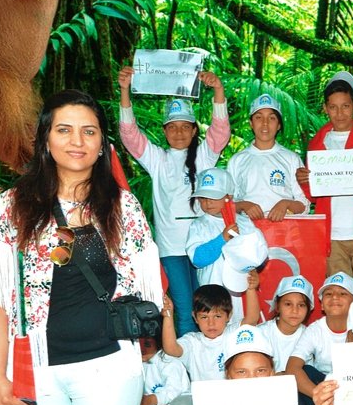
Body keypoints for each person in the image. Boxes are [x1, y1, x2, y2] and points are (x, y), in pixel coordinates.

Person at [0, 89, 162, 405]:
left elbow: (150, 295)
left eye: (89, 131)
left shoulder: (123, 207)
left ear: (102, 144)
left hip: (107, 368)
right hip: (38, 369)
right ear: (45, 139)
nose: (77, 141)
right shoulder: (12, 207)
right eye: (64, 130)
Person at [118, 66, 230, 335]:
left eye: (185, 127)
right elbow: (130, 136)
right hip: (172, 249)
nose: (179, 133)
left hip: (205, 245)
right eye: (172, 127)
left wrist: (218, 90)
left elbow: (220, 131)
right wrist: (125, 91)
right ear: (165, 131)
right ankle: (185, 368)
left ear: (194, 130)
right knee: (184, 305)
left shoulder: (204, 157)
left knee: (208, 306)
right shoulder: (157, 159)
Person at [296, 70, 353, 282]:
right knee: (339, 297)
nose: (339, 113)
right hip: (332, 236)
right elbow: (313, 196)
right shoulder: (317, 144)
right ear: (325, 109)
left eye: (345, 106)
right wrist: (304, 182)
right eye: (333, 107)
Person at [285, 272, 353, 405]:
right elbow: (292, 367)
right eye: (328, 293)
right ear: (322, 305)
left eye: (342, 293)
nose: (335, 298)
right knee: (304, 373)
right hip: (324, 388)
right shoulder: (315, 330)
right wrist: (319, 395)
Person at [184, 167, 268, 318]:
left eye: (213, 197)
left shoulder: (244, 222)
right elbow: (197, 259)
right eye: (203, 198)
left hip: (242, 292)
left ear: (228, 197)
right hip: (212, 295)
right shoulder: (198, 225)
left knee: (242, 325)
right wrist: (222, 239)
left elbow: (259, 252)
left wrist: (254, 270)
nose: (207, 202)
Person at [228, 93, 309, 222]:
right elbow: (227, 205)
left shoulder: (291, 159)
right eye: (258, 117)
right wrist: (244, 205)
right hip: (247, 233)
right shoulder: (237, 161)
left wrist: (285, 204)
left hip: (284, 234)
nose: (265, 123)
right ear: (251, 123)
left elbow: (304, 204)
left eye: (271, 118)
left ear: (279, 125)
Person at [253, 275, 314, 372]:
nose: (295, 311)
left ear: (308, 309)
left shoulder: (311, 335)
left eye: (301, 305)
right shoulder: (261, 333)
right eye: (288, 304)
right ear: (277, 306)